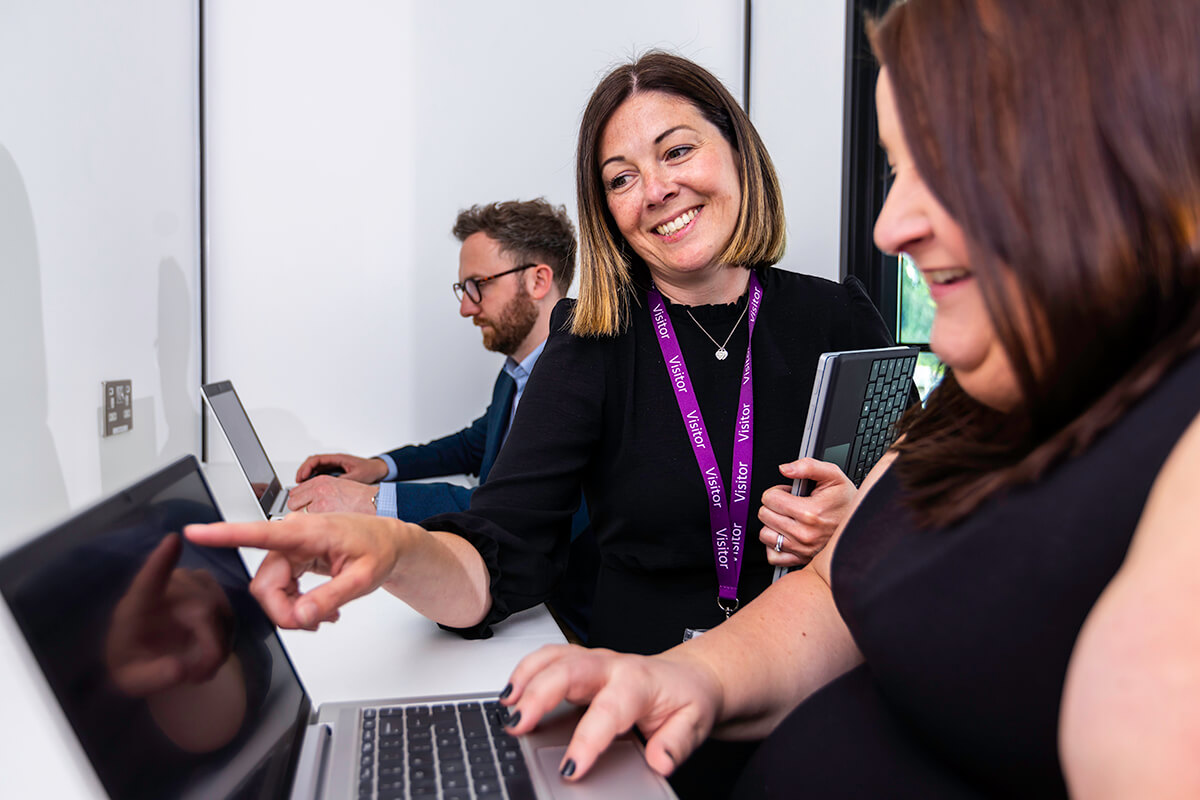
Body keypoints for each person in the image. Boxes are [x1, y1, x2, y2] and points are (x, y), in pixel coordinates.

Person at [489, 1, 1200, 797]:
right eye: (898, 167)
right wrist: (689, 678)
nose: (891, 224)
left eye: (944, 159)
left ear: (1113, 139)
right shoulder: (981, 395)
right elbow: (832, 591)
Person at [287, 199, 577, 522]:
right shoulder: (517, 374)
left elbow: (517, 507)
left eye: (478, 285)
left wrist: (370, 500)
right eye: (463, 289)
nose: (466, 308)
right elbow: (473, 446)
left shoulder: (581, 385)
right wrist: (379, 467)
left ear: (538, 281)